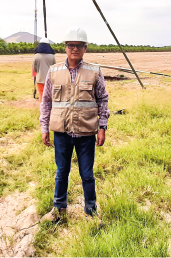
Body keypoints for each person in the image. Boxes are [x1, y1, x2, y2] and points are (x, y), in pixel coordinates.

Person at [39, 27, 109, 221]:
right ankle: (58, 210)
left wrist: (102, 127)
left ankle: (91, 211)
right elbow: (46, 102)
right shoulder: (53, 72)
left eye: (79, 46)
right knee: (61, 172)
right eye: (71, 45)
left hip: (86, 133)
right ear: (65, 47)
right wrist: (44, 127)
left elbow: (103, 99)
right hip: (61, 133)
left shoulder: (94, 71)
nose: (74, 49)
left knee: (87, 174)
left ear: (85, 48)